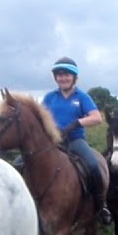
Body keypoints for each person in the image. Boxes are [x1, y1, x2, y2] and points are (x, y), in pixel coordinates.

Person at [42, 57, 112, 225]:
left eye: (66, 74)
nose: (63, 78)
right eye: (59, 75)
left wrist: (76, 124)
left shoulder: (82, 97)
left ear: (74, 77)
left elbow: (96, 118)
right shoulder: (50, 97)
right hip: (53, 143)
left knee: (93, 166)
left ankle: (100, 206)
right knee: (20, 163)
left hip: (75, 140)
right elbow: (40, 118)